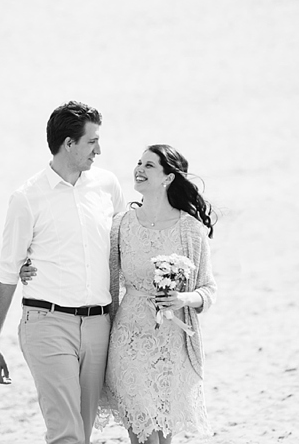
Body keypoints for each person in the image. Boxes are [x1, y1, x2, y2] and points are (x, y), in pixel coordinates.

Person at [0, 100, 126, 444]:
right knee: (66, 433)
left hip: (98, 326)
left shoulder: (107, 185)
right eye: (92, 142)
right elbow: (7, 271)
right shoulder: (28, 198)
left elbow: (125, 241)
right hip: (47, 324)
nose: (99, 150)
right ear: (69, 144)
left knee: (83, 430)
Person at [96, 144, 217, 444]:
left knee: (163, 437)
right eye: (139, 162)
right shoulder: (121, 225)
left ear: (168, 178)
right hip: (128, 340)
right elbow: (108, 284)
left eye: (149, 165)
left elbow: (208, 290)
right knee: (144, 434)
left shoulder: (190, 229)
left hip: (171, 345)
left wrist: (183, 299)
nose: (139, 169)